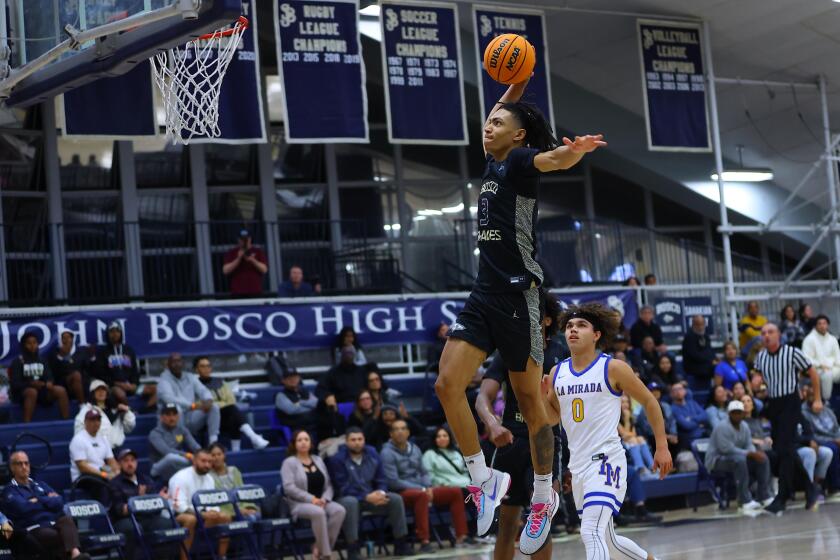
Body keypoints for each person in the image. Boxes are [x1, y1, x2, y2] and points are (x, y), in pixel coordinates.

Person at [434, 75, 605, 553]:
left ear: (519, 135)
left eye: (498, 123)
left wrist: (578, 151)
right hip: (483, 293)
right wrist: (515, 84)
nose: (487, 127)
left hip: (519, 297)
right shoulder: (494, 159)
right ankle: (481, 479)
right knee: (447, 385)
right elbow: (498, 110)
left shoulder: (523, 163)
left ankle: (545, 495)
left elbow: (556, 158)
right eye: (487, 122)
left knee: (531, 408)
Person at [542, 303, 672, 560]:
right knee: (608, 541)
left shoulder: (612, 368)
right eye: (569, 326)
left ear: (597, 335)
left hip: (607, 461)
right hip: (578, 466)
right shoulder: (557, 373)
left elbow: (649, 402)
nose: (573, 331)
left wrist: (662, 445)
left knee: (590, 532)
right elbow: (553, 418)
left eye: (581, 326)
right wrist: (542, 397)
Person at [474, 288, 565, 560]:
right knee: (507, 526)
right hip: (511, 440)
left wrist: (571, 459)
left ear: (547, 320)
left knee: (541, 522)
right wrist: (492, 424)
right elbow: (482, 398)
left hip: (548, 440)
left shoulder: (562, 354)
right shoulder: (509, 351)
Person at [753, 321, 823, 514]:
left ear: (779, 335)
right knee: (783, 450)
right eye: (764, 332)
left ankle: (783, 496)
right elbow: (757, 378)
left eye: (771, 332)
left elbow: (813, 374)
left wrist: (817, 398)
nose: (766, 335)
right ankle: (809, 488)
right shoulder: (760, 357)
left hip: (791, 402)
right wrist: (755, 380)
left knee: (784, 448)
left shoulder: (792, 353)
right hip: (773, 403)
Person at [380, 419, 469, 551]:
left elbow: (424, 472)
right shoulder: (386, 453)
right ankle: (424, 541)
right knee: (421, 495)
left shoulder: (414, 448)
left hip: (423, 489)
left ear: (408, 432)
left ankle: (461, 536)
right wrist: (422, 489)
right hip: (401, 492)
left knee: (455, 492)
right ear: (391, 434)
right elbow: (393, 481)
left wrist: (427, 486)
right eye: (396, 429)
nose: (400, 432)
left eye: (403, 428)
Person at [329, 428, 412, 560]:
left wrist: (380, 492)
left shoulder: (372, 453)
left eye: (360, 439)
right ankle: (353, 549)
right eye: (353, 440)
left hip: (372, 497)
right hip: (347, 498)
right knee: (351, 502)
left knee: (396, 499)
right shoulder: (337, 459)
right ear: (346, 442)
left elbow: (382, 479)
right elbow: (342, 487)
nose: (357, 443)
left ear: (364, 440)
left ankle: (400, 543)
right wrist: (366, 497)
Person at [0, 451, 92, 560]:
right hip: (34, 528)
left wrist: (37, 499)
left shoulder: (40, 484)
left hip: (53, 524)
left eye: (26, 463)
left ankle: (76, 555)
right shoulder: (9, 490)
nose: (24, 467)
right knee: (62, 537)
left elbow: (59, 502)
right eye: (19, 464)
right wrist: (47, 499)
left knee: (67, 520)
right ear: (12, 467)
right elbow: (23, 509)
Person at [281, 430, 346, 559]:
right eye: (299, 440)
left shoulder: (318, 460)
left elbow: (328, 484)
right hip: (299, 503)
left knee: (339, 510)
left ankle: (318, 547)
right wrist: (312, 499)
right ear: (294, 444)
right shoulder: (289, 463)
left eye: (306, 439)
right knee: (318, 512)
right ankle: (326, 554)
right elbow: (289, 488)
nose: (303, 443)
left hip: (321, 500)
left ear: (311, 443)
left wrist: (325, 499)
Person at [704, 400, 772, 512]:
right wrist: (749, 453)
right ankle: (744, 501)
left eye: (739, 412)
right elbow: (726, 449)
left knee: (762, 458)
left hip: (737, 457)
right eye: (734, 412)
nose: (736, 415)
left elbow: (748, 443)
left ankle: (764, 495)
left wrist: (753, 453)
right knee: (739, 461)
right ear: (729, 414)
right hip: (716, 460)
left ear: (743, 414)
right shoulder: (722, 427)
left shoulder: (744, 426)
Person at [194, 356, 268, 450]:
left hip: (224, 418)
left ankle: (239, 449)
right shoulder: (194, 384)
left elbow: (231, 400)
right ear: (196, 369)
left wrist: (215, 403)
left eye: (208, 366)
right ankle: (253, 438)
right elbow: (200, 404)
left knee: (233, 414)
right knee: (231, 410)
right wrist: (219, 404)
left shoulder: (219, 381)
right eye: (202, 366)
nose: (206, 369)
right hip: (206, 420)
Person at [169, 449, 231, 560]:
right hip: (176, 515)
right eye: (203, 461)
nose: (207, 465)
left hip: (201, 515)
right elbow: (178, 507)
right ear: (194, 461)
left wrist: (213, 512)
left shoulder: (209, 479)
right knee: (191, 519)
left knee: (225, 517)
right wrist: (202, 515)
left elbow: (212, 502)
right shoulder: (181, 477)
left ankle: (222, 556)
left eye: (209, 462)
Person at [108, 448, 172, 557]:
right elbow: (120, 511)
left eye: (132, 460)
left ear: (136, 462)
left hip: (147, 518)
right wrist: (139, 498)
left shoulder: (145, 480)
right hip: (124, 521)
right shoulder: (114, 483)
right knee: (133, 528)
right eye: (126, 461)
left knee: (165, 523)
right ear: (119, 464)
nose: (130, 464)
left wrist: (160, 499)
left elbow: (155, 504)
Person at [157, 352, 220, 444]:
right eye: (173, 362)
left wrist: (208, 400)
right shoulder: (163, 380)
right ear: (168, 365)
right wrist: (192, 406)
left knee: (214, 407)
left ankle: (213, 443)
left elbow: (203, 390)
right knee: (177, 409)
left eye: (179, 361)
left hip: (191, 417)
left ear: (183, 363)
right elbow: (169, 398)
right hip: (172, 420)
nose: (177, 364)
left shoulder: (190, 377)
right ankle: (178, 444)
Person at [9, 331, 70, 423]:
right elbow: (15, 384)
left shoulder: (42, 360)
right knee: (32, 392)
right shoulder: (18, 361)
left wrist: (49, 382)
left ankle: (66, 422)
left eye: (34, 343)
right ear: (24, 345)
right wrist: (30, 384)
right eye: (29, 343)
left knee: (61, 390)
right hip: (23, 394)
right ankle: (27, 425)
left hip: (42, 391)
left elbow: (49, 377)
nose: (32, 345)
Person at [95, 321, 156, 408]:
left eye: (117, 331)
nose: (115, 334)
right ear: (107, 334)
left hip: (130, 386)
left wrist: (134, 384)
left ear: (121, 333)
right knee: (120, 394)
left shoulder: (129, 350)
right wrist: (118, 384)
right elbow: (101, 374)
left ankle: (144, 411)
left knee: (155, 389)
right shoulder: (103, 352)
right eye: (111, 331)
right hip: (113, 387)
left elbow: (135, 370)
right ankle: (130, 413)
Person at [800, 383, 840, 491]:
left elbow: (836, 428)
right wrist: (834, 440)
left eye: (815, 395)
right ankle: (834, 486)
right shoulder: (803, 413)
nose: (813, 397)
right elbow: (811, 434)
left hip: (834, 438)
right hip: (820, 441)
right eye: (810, 395)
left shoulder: (827, 410)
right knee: (833, 449)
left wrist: (838, 438)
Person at [75, 379, 136, 449]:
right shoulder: (86, 410)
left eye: (103, 389)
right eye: (97, 390)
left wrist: (127, 412)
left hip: (117, 450)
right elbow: (79, 431)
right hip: (97, 450)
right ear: (92, 393)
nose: (101, 392)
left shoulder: (116, 409)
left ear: (107, 393)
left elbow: (129, 428)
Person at [149, 403, 201, 483]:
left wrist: (201, 454)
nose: (172, 418)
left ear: (178, 416)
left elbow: (194, 446)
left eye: (174, 414)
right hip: (158, 466)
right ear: (162, 417)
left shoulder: (182, 430)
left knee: (201, 459)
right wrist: (188, 455)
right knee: (171, 457)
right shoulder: (155, 433)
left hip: (178, 463)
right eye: (168, 415)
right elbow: (166, 451)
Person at [208, 443, 260, 520]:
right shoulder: (208, 476)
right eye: (213, 455)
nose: (216, 458)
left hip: (242, 506)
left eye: (219, 454)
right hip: (225, 511)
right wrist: (237, 511)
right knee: (250, 519)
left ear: (224, 455)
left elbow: (242, 491)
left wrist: (248, 507)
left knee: (256, 514)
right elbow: (218, 500)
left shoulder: (234, 470)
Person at [795, 410, 833, 501]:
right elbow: (792, 437)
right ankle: (809, 488)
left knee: (827, 453)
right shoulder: (786, 416)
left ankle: (816, 484)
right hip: (795, 448)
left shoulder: (800, 415)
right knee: (810, 453)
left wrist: (812, 441)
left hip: (807, 446)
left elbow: (810, 432)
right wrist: (808, 442)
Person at [801, 314, 840, 400]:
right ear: (815, 326)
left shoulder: (832, 339)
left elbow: (837, 355)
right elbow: (806, 358)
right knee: (827, 375)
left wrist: (836, 365)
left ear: (827, 325)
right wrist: (820, 365)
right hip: (817, 369)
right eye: (820, 323)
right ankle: (826, 400)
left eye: (824, 323)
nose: (822, 326)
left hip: (832, 367)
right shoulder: (809, 339)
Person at [636, 382, 678, 454]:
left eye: (657, 391)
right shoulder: (644, 408)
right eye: (653, 391)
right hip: (652, 436)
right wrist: (664, 436)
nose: (656, 393)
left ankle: (674, 464)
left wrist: (673, 434)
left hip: (667, 435)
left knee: (679, 440)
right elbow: (646, 428)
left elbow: (672, 421)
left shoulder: (666, 406)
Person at [222, 228, 268, 296]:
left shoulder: (258, 252)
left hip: (255, 291)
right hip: (237, 292)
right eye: (242, 239)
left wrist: (253, 260)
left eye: (246, 239)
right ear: (238, 240)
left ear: (250, 239)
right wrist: (238, 258)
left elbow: (264, 270)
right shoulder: (232, 252)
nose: (244, 242)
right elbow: (225, 271)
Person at [619, 395, 656, 477]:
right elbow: (623, 435)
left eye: (627, 402)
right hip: (618, 443)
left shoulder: (630, 416)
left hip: (629, 441)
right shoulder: (616, 417)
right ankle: (640, 468)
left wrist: (628, 418)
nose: (625, 404)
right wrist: (626, 420)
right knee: (633, 440)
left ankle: (652, 467)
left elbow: (634, 433)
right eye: (622, 402)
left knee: (640, 438)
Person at [46, 330, 85, 404]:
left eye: (69, 337)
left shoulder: (80, 352)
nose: (67, 340)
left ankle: (83, 405)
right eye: (64, 338)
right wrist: (61, 357)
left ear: (73, 339)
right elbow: (53, 371)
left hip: (79, 383)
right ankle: (82, 404)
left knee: (77, 375)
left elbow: (85, 368)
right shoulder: (55, 354)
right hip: (62, 383)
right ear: (60, 340)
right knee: (76, 375)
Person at [670, 383, 710, 450]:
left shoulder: (692, 402)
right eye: (675, 390)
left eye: (680, 389)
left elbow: (705, 416)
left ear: (685, 391)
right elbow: (687, 425)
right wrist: (699, 423)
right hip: (690, 439)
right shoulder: (673, 409)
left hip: (703, 434)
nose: (678, 392)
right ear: (672, 394)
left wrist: (691, 418)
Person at [681, 315, 717, 382]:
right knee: (716, 369)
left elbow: (710, 350)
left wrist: (715, 359)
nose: (700, 327)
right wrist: (710, 360)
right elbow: (694, 355)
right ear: (693, 325)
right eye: (697, 325)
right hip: (693, 366)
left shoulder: (705, 336)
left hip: (705, 363)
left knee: (721, 367)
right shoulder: (689, 337)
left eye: (702, 324)